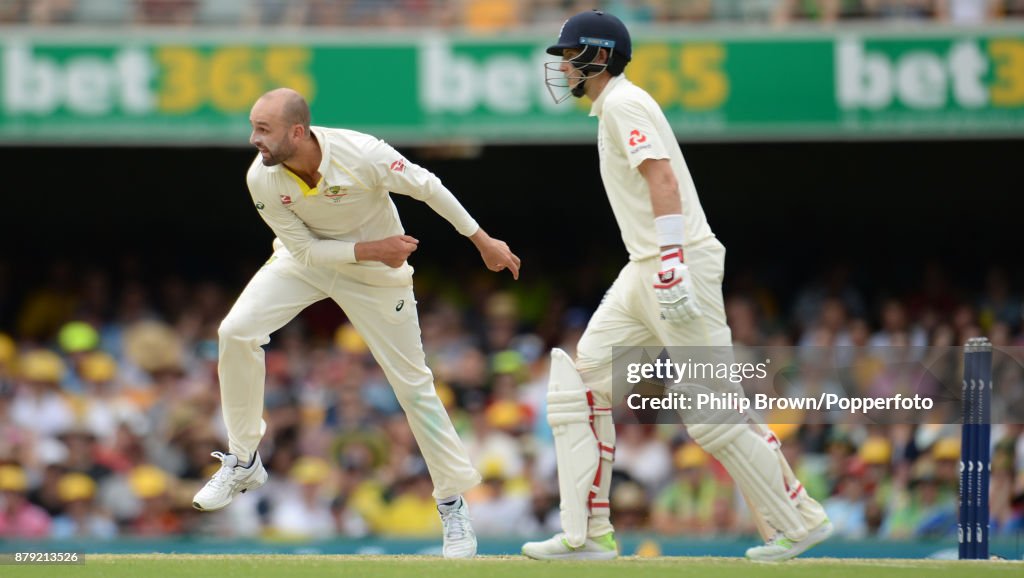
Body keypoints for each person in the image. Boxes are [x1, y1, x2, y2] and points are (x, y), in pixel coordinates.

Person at [522, 10, 832, 561]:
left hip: (674, 261)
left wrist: (671, 259)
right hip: (643, 267)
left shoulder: (624, 103)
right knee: (581, 385)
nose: (563, 66)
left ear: (597, 56)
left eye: (570, 55)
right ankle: (588, 535)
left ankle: (801, 521)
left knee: (712, 409)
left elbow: (661, 175)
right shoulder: (611, 109)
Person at [191, 87, 521, 559]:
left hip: (376, 276)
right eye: (253, 128)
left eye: (263, 129)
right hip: (310, 262)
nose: (253, 139)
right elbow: (304, 251)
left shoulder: (362, 154)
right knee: (235, 332)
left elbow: (428, 186)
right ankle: (244, 459)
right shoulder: (261, 178)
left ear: (297, 131)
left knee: (413, 385)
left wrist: (481, 240)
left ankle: (452, 505)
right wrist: (373, 249)